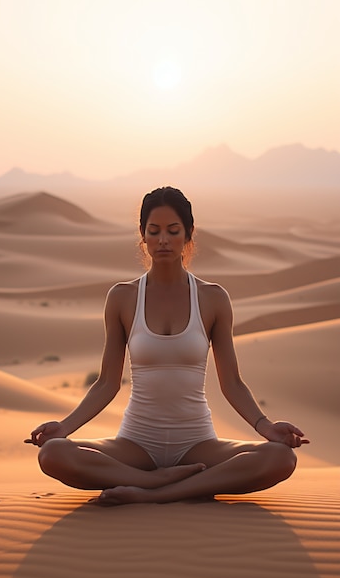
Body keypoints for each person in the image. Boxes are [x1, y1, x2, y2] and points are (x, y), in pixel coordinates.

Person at [30, 187, 309, 505]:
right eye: (154, 231)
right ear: (143, 236)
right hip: (136, 443)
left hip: (197, 442)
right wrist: (64, 427)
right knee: (54, 453)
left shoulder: (212, 298)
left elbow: (231, 382)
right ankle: (157, 481)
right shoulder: (122, 297)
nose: (163, 239)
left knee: (280, 458)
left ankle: (154, 494)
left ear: (188, 234)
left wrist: (266, 426)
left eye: (173, 231)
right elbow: (107, 383)